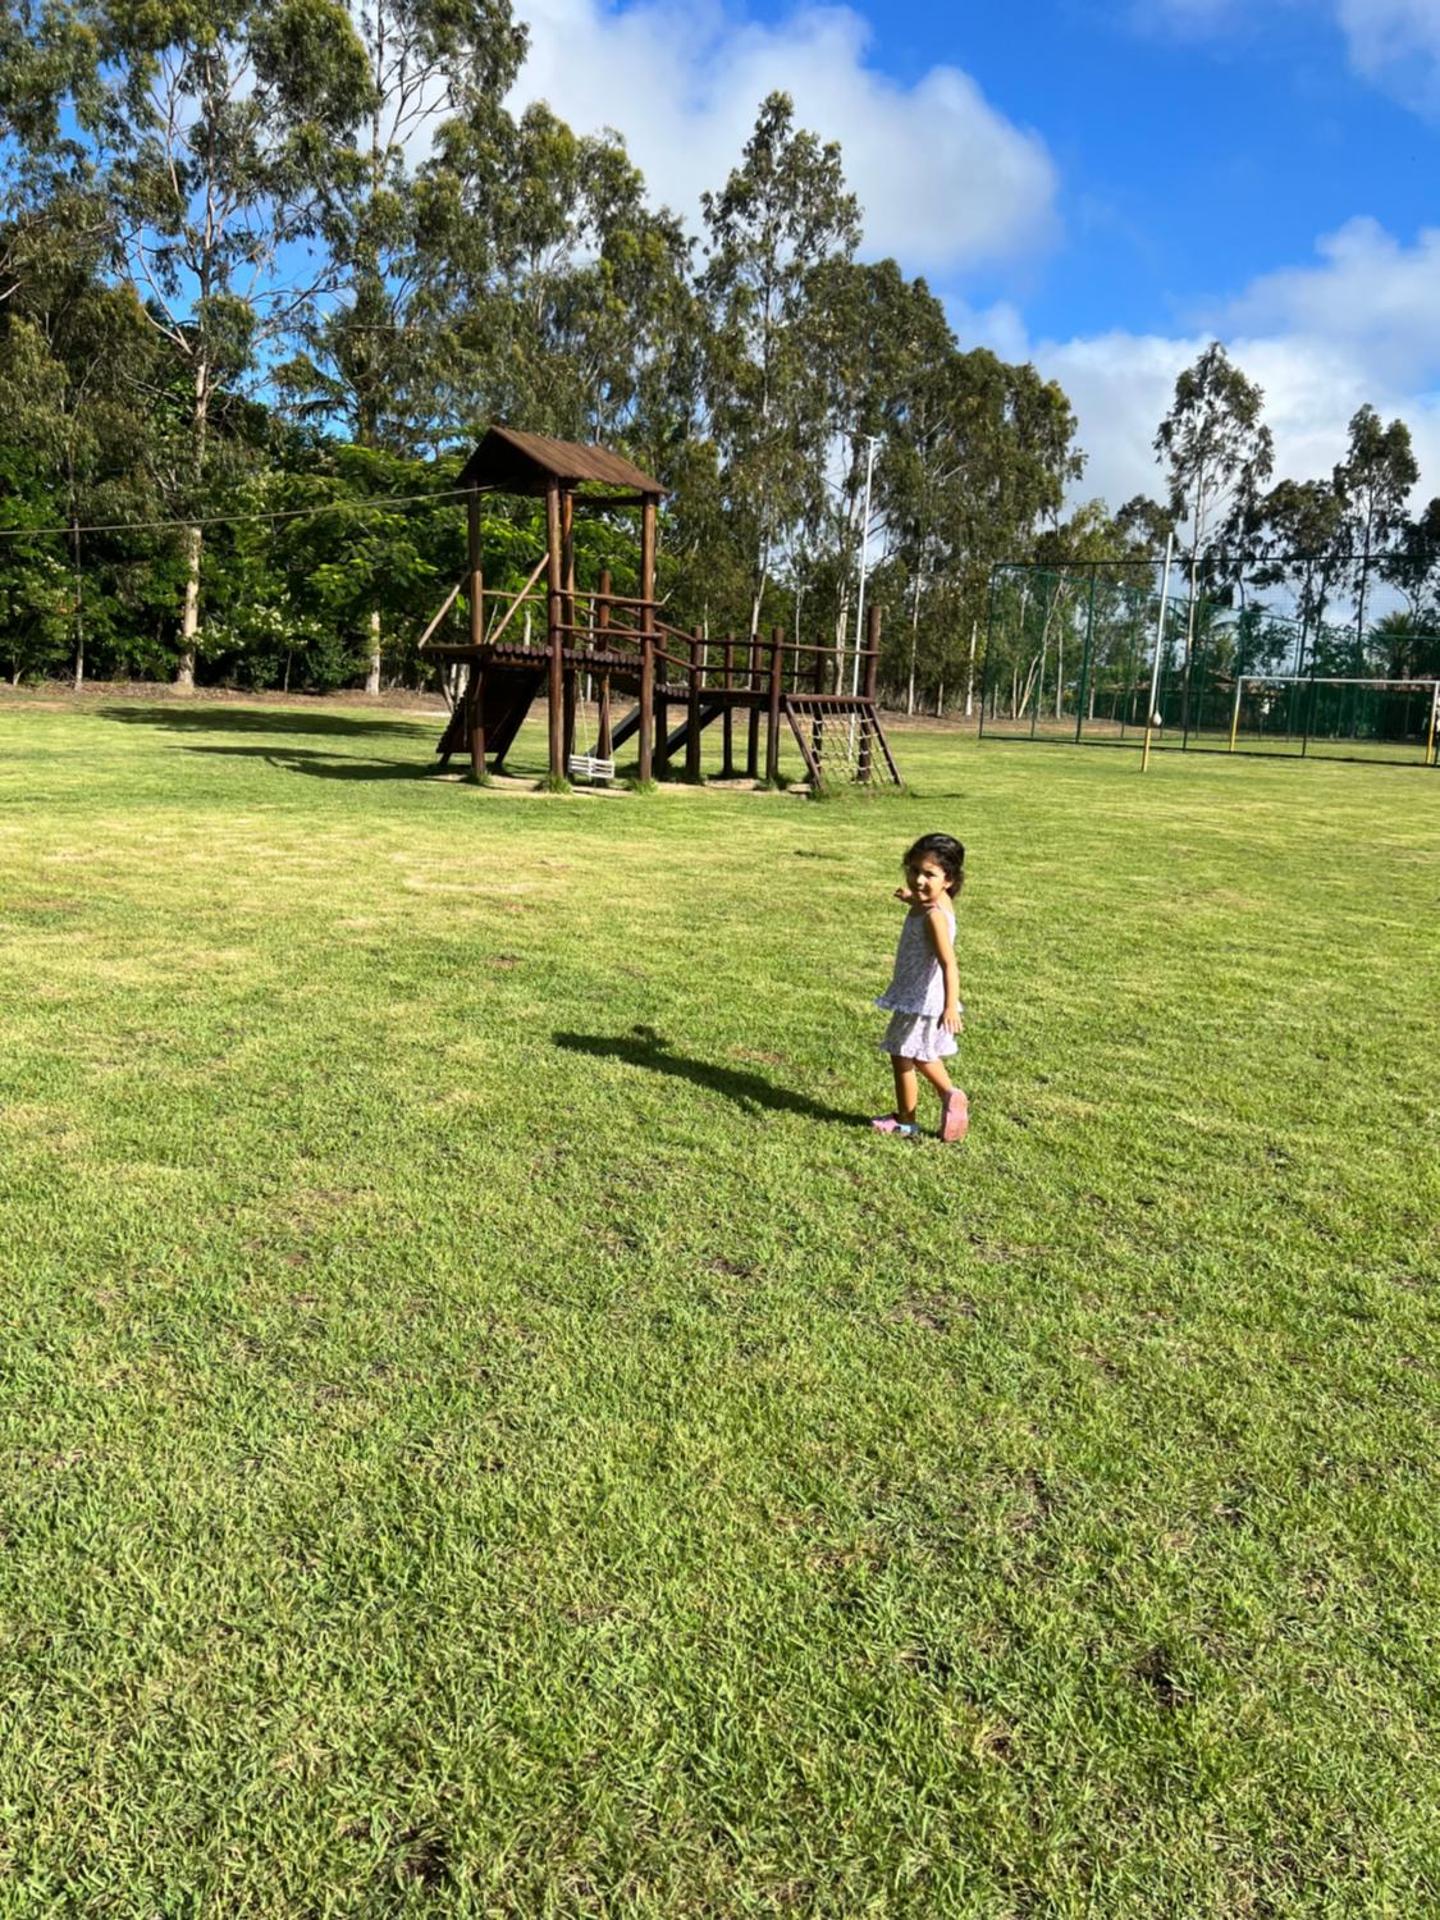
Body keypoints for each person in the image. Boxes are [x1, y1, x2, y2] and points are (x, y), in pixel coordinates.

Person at [871, 833, 968, 1141]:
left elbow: (949, 964)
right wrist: (909, 898)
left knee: (902, 1055)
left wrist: (951, 1006)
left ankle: (906, 1121)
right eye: (914, 870)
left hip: (921, 998)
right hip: (924, 998)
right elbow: (924, 898)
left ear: (948, 879)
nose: (919, 880)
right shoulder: (936, 901)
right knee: (921, 1053)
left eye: (929, 874)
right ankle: (950, 1096)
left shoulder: (934, 916)